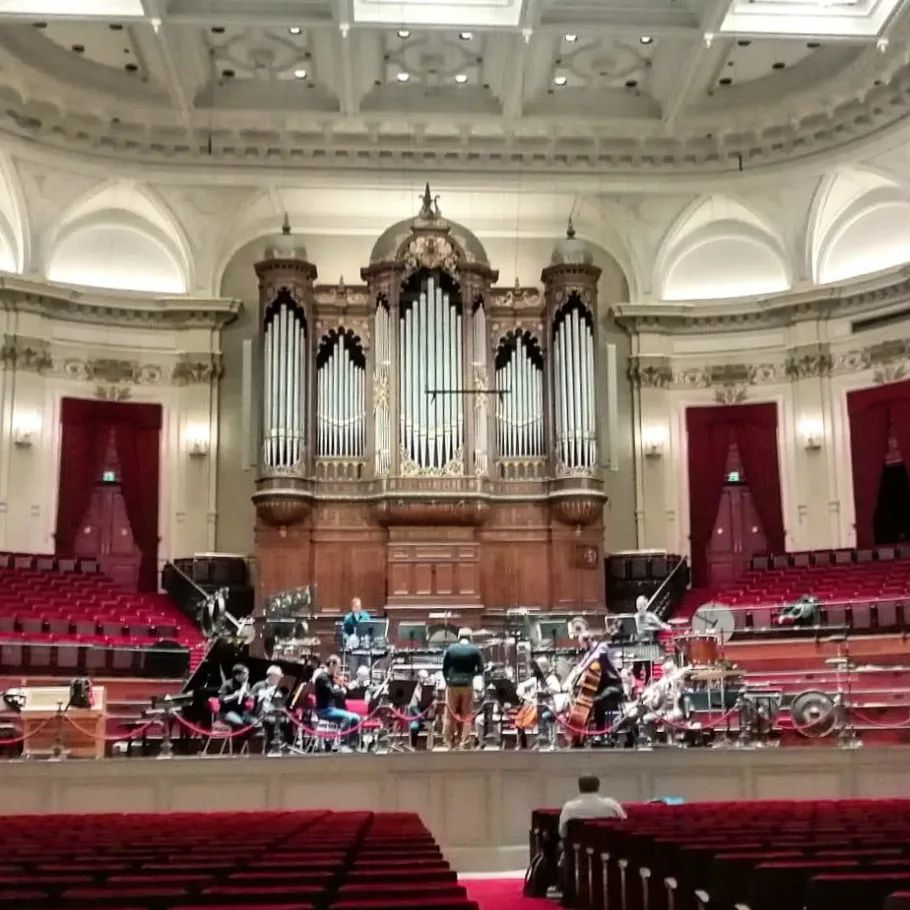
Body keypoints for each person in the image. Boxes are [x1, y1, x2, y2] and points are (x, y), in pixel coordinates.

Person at [442, 627, 484, 749]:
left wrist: (448, 681)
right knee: (467, 715)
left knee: (449, 715)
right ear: (470, 637)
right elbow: (481, 669)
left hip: (452, 685)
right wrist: (471, 675)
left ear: (459, 637)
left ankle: (448, 741)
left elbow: (444, 668)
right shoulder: (475, 650)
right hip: (467, 685)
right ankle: (464, 741)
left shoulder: (451, 649)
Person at [314, 654, 360, 750]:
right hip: (324, 710)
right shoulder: (322, 678)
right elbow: (332, 692)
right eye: (337, 667)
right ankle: (342, 744)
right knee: (348, 718)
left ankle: (352, 744)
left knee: (356, 718)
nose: (338, 670)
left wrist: (348, 686)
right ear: (331, 665)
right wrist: (342, 690)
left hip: (331, 709)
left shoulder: (329, 677)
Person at [558, 776, 626, 840]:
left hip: (579, 846)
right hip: (608, 845)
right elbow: (624, 823)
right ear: (598, 786)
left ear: (579, 787)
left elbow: (562, 833)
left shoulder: (569, 807)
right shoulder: (612, 804)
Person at [516, 657, 562, 749]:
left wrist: (544, 692)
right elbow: (520, 687)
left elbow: (557, 689)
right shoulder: (535, 679)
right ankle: (522, 744)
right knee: (519, 720)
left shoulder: (551, 678)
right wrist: (528, 697)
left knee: (545, 716)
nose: (534, 670)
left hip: (548, 707)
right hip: (535, 708)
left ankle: (550, 742)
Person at [633, 595, 671, 682]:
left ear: (645, 605)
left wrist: (667, 627)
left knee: (648, 669)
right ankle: (637, 684)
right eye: (638, 604)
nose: (639, 607)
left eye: (641, 604)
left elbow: (660, 624)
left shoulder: (650, 616)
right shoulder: (635, 617)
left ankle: (648, 683)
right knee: (636, 669)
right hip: (637, 645)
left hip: (648, 645)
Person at [251, 664, 289, 750]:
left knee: (288, 722)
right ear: (271, 676)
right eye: (278, 677)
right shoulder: (259, 685)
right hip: (262, 714)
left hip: (276, 714)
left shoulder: (280, 688)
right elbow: (251, 700)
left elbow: (283, 703)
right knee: (272, 723)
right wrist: (264, 695)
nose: (279, 679)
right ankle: (268, 748)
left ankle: (283, 746)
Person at [218, 663, 254, 730]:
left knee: (256, 722)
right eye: (245, 673)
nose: (247, 676)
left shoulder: (247, 685)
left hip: (241, 711)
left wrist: (249, 695)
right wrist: (234, 696)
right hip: (226, 712)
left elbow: (251, 697)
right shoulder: (227, 684)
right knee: (240, 723)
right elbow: (221, 700)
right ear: (237, 675)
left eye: (247, 673)